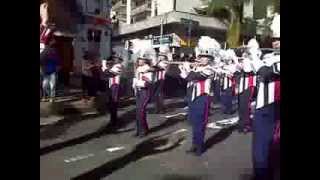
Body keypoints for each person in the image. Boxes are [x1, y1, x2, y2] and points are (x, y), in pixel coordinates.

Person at [178, 36, 218, 156]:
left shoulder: (210, 69)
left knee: (200, 124)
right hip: (192, 98)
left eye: (205, 57)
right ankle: (194, 145)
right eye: (201, 57)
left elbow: (195, 77)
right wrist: (183, 69)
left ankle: (199, 147)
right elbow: (186, 79)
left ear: (209, 59)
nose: (202, 59)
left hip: (202, 98)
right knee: (194, 123)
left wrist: (188, 69)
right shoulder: (196, 67)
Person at [236, 39, 260, 133]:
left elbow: (247, 69)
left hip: (249, 83)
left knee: (246, 105)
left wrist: (246, 57)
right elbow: (238, 69)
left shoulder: (256, 55)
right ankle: (242, 123)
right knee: (241, 105)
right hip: (242, 83)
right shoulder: (245, 56)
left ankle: (246, 124)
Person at [132, 50, 154, 137]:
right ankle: (140, 129)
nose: (139, 61)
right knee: (138, 111)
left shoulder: (148, 68)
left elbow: (149, 81)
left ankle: (143, 130)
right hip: (138, 91)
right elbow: (136, 79)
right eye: (139, 59)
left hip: (145, 91)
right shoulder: (138, 68)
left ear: (145, 60)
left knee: (141, 111)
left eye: (141, 60)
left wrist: (142, 76)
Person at [102, 55, 123, 126]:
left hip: (115, 85)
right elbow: (105, 73)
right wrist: (105, 67)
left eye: (115, 59)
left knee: (114, 103)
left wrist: (105, 67)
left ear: (119, 60)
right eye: (114, 58)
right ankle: (113, 119)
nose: (114, 60)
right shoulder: (113, 66)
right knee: (110, 103)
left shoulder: (118, 66)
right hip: (111, 86)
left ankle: (114, 120)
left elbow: (110, 74)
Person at [151, 45, 169, 113]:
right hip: (156, 79)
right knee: (156, 94)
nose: (160, 56)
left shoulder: (165, 62)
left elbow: (159, 67)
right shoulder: (157, 61)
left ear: (164, 57)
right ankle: (157, 108)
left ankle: (161, 108)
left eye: (162, 56)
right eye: (159, 55)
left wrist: (155, 65)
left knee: (159, 94)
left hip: (161, 79)